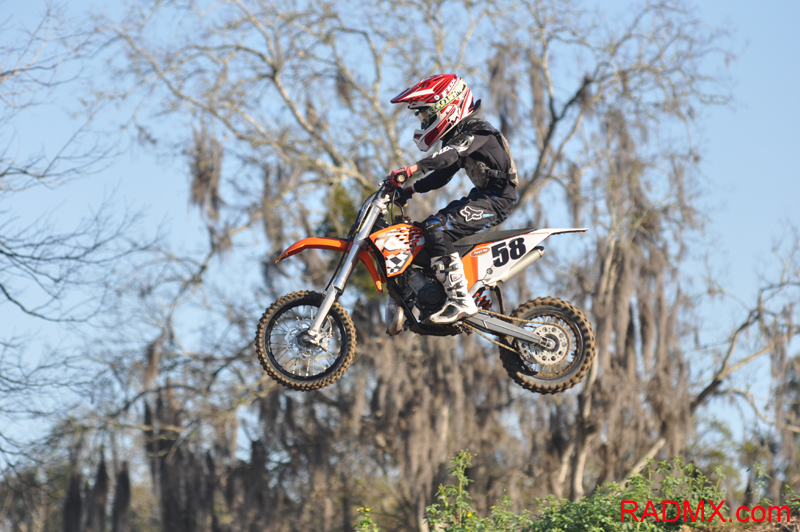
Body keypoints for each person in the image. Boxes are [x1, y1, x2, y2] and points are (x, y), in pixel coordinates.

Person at [387, 74, 518, 325]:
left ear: (447, 106)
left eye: (426, 115)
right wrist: (410, 191)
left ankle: (460, 299)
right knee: (423, 230)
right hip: (483, 197)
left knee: (436, 228)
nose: (424, 121)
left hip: (497, 200)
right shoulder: (460, 135)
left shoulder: (478, 130)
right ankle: (430, 291)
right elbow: (442, 175)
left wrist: (411, 170)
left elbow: (447, 156)